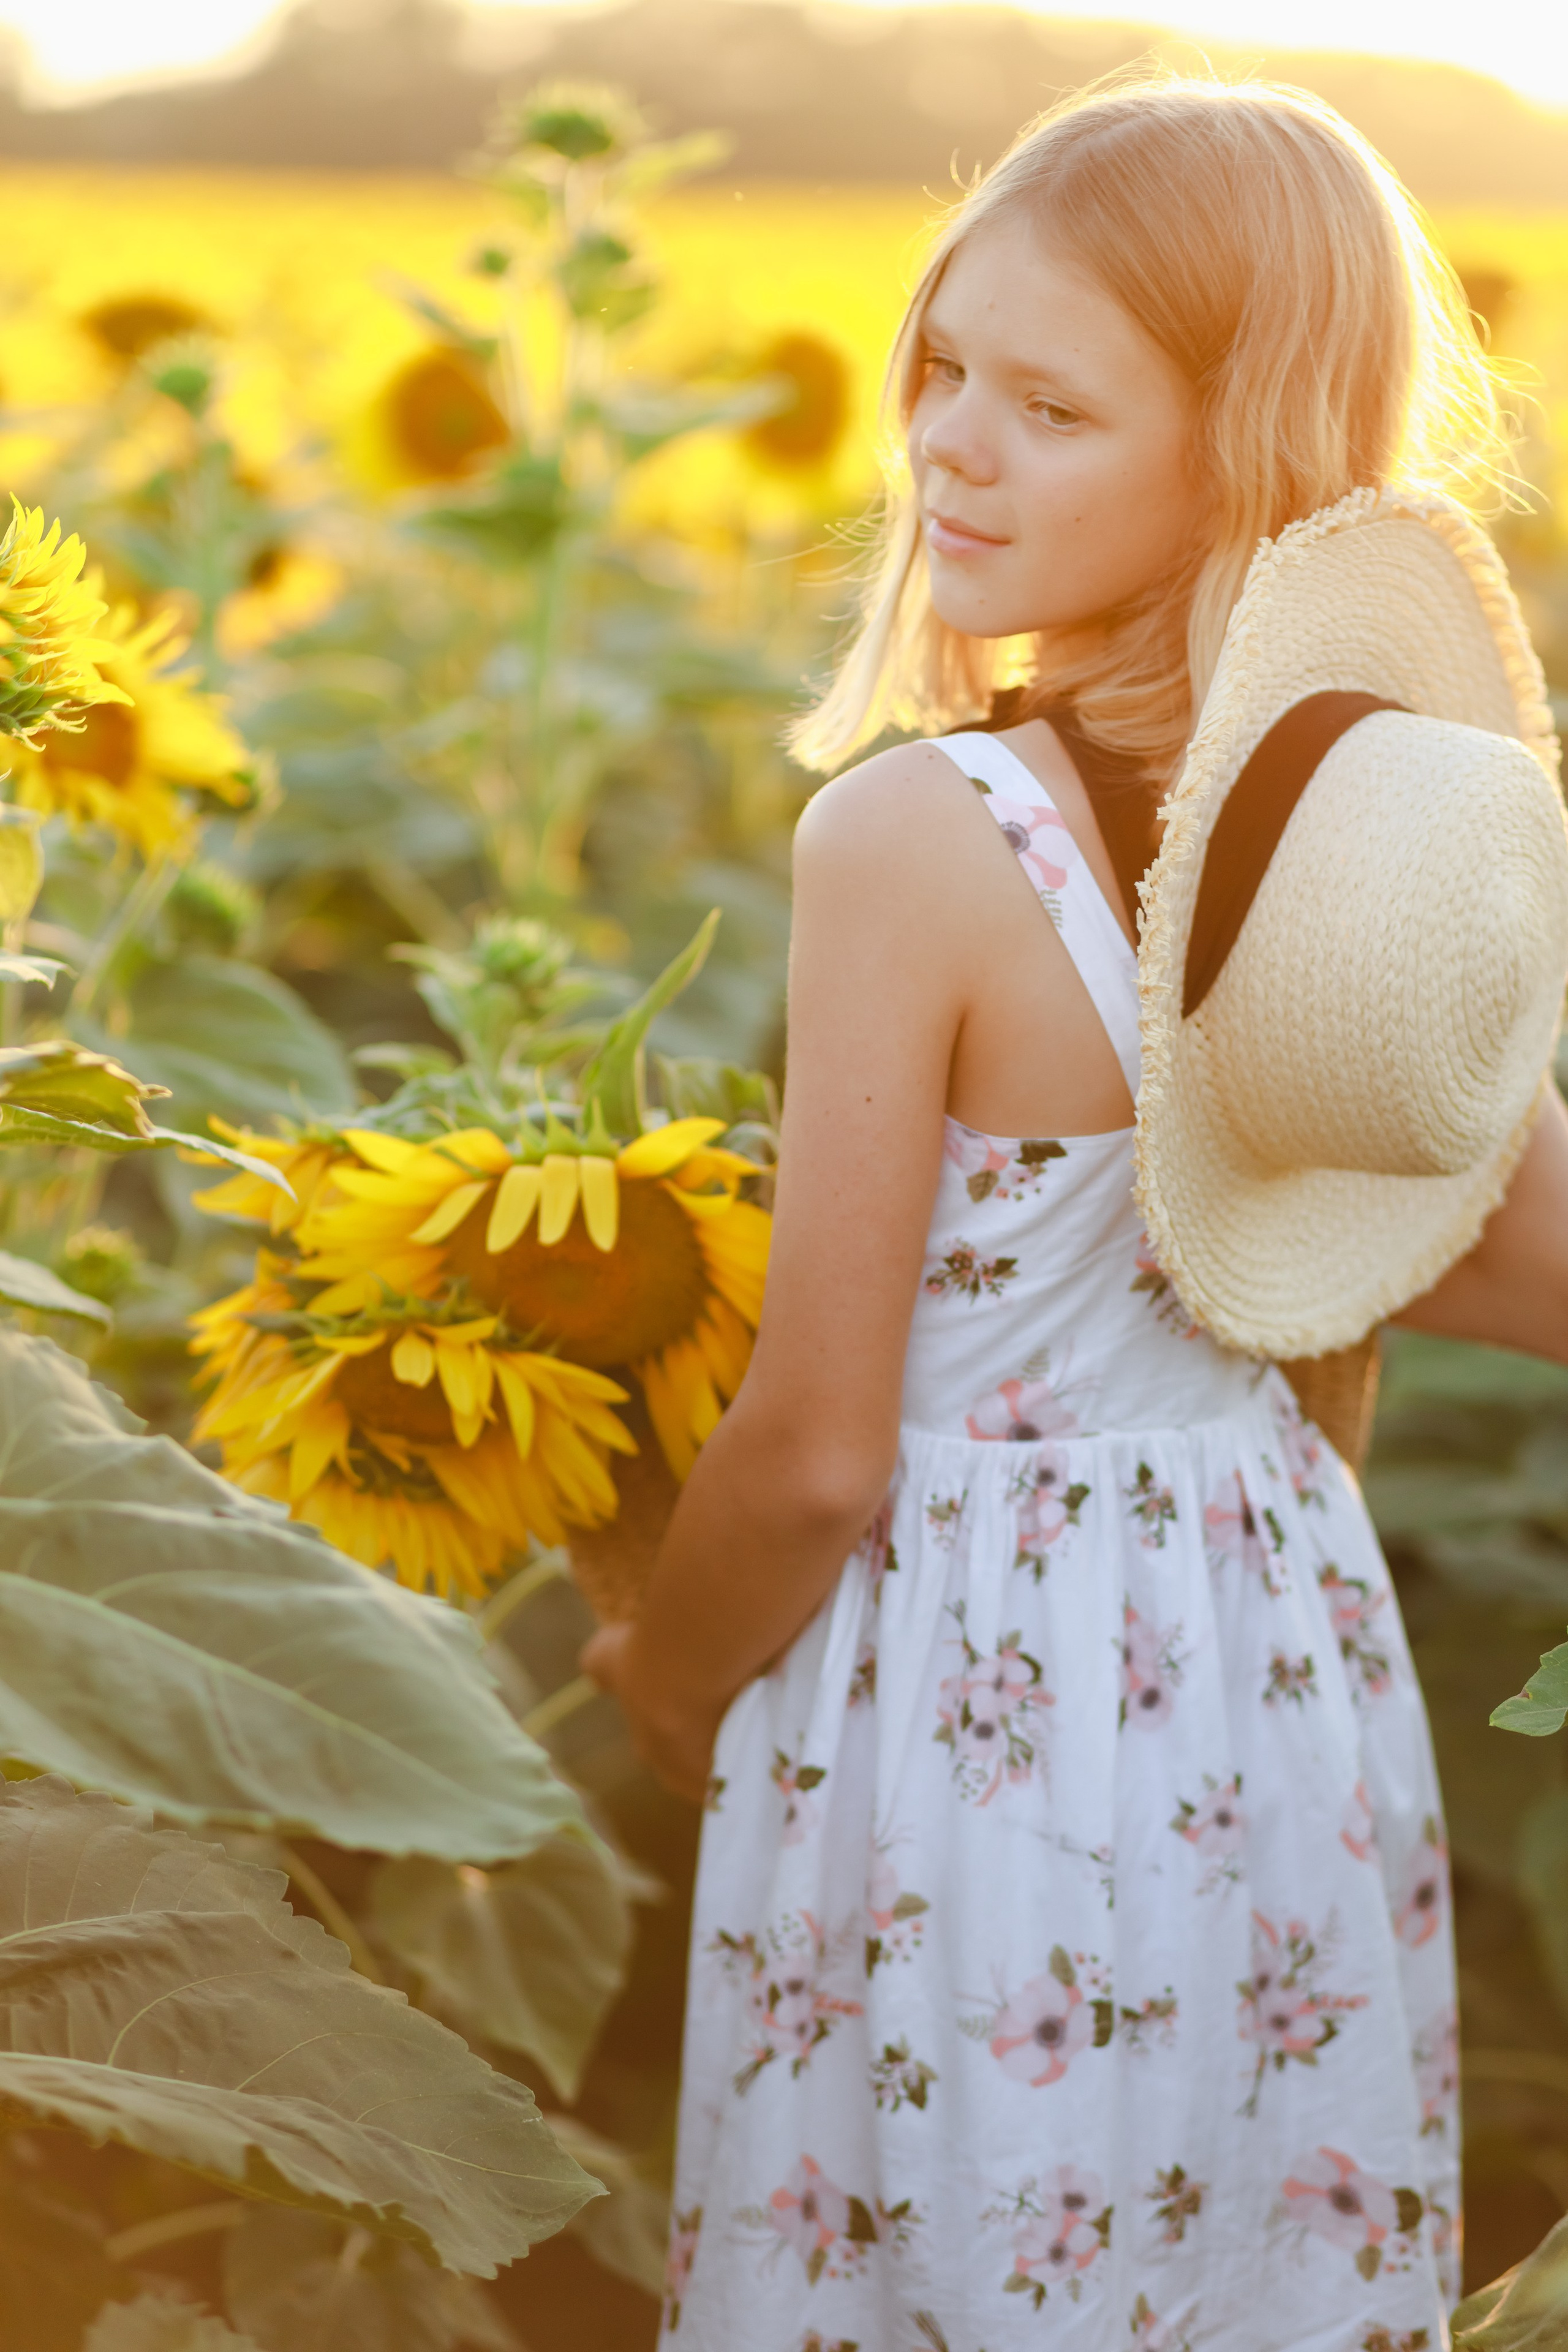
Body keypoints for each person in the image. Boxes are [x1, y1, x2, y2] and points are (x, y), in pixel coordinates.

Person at [584, 72, 1568, 2350]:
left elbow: (823, 1443)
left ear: (1239, 463)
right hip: (1272, 1691)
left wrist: (665, 1670)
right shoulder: (1337, 871)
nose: (951, 445)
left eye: (1049, 403)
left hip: (966, 1711)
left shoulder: (918, 838)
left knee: (935, 2250)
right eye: (941, 364)